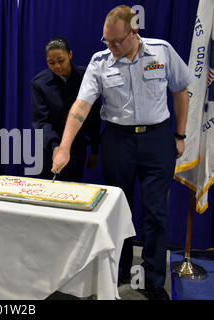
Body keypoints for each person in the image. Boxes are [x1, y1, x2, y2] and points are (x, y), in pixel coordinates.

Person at [51, 5, 193, 300]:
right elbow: (81, 106)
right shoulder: (99, 61)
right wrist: (64, 147)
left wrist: (180, 135)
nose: (112, 47)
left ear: (134, 32)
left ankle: (153, 280)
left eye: (117, 41)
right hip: (118, 142)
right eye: (107, 41)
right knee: (117, 209)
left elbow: (180, 90)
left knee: (157, 213)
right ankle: (118, 269)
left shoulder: (161, 52)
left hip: (157, 140)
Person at [31, 37, 101, 182]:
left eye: (61, 60)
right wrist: (56, 146)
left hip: (77, 146)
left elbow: (94, 117)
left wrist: (94, 149)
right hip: (49, 147)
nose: (57, 66)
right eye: (51, 63)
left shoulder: (86, 77)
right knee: (46, 190)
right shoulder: (39, 83)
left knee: (72, 189)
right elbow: (41, 121)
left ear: (70, 54)